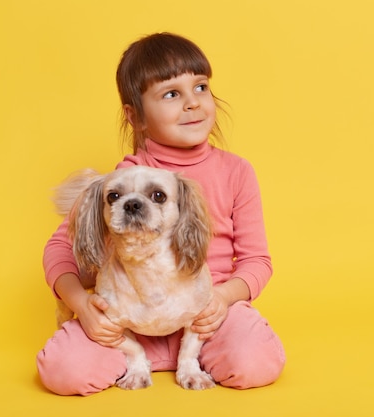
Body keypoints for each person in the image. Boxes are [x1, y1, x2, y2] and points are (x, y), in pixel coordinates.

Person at [37, 32, 285, 396]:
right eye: (171, 94)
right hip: (128, 323)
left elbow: (257, 260)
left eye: (200, 87)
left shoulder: (236, 172)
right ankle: (139, 358)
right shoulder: (123, 181)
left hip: (206, 318)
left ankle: (200, 355)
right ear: (134, 115)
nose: (192, 104)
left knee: (257, 362)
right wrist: (82, 306)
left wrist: (224, 299)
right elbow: (59, 250)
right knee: (62, 371)